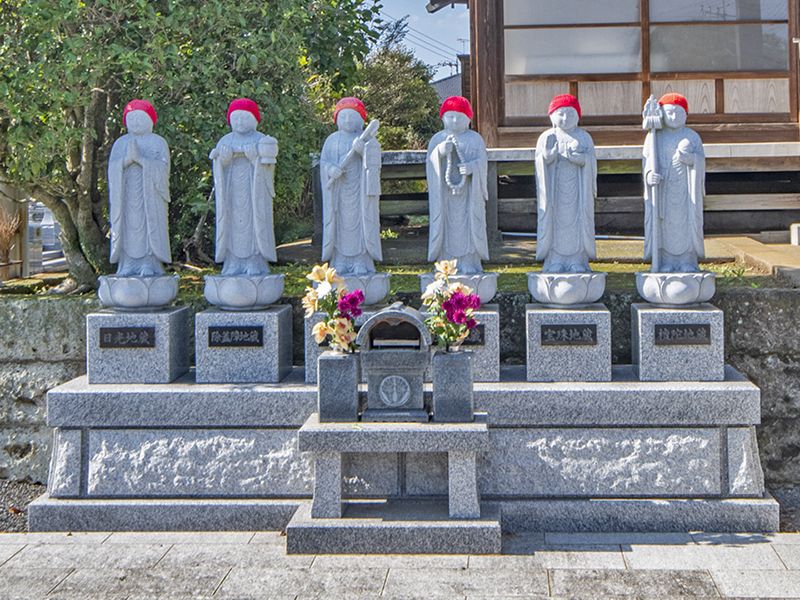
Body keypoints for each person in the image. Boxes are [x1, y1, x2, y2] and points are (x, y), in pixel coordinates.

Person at [210, 98, 278, 276]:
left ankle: (254, 261)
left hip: (253, 192)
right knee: (232, 224)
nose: (239, 122)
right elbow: (218, 169)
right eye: (236, 118)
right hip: (231, 193)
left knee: (255, 222)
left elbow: (269, 167)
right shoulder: (225, 140)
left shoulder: (262, 140)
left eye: (244, 117)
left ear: (254, 119)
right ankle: (233, 262)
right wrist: (222, 161)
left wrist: (255, 158)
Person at [643, 92, 706, 272]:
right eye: (669, 112)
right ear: (661, 114)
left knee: (685, 224)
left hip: (686, 191)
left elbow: (700, 162)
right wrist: (649, 176)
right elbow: (646, 162)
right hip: (663, 191)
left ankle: (687, 260)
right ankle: (666, 261)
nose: (674, 116)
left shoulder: (692, 137)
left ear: (686, 115)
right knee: (664, 226)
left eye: (679, 113)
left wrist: (692, 160)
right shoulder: (654, 136)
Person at [534, 94, 597, 273]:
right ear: (552, 116)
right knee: (555, 222)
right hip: (554, 192)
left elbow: (591, 162)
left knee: (577, 222)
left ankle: (577, 260)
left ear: (578, 116)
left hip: (578, 191)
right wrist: (547, 157)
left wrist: (582, 160)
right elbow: (540, 162)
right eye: (560, 114)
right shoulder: (546, 137)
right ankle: (555, 260)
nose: (565, 118)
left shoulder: (584, 138)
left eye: (570, 114)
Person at [108, 99, 171, 277]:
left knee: (150, 225)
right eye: (131, 118)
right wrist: (127, 160)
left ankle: (149, 263)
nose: (135, 122)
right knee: (127, 226)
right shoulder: (121, 143)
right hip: (126, 195)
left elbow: (163, 168)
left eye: (140, 118)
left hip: (150, 196)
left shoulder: (158, 142)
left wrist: (141, 160)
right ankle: (127, 263)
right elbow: (112, 169)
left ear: (150, 121)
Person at [426, 96, 489, 274]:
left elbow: (482, 162)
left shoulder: (475, 139)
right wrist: (439, 152)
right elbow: (430, 164)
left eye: (460, 117)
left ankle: (469, 261)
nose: (455, 120)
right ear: (443, 118)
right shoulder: (438, 139)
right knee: (446, 227)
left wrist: (472, 168)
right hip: (445, 197)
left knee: (468, 226)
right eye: (450, 116)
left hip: (468, 195)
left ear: (468, 119)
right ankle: (445, 262)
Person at [320, 97, 382, 275]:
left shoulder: (368, 141)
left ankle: (360, 260)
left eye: (352, 116)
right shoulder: (331, 140)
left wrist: (363, 151)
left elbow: (375, 164)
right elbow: (324, 162)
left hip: (360, 193)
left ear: (361, 120)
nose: (347, 120)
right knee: (340, 225)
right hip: (339, 193)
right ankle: (339, 260)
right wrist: (330, 169)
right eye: (343, 116)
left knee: (361, 223)